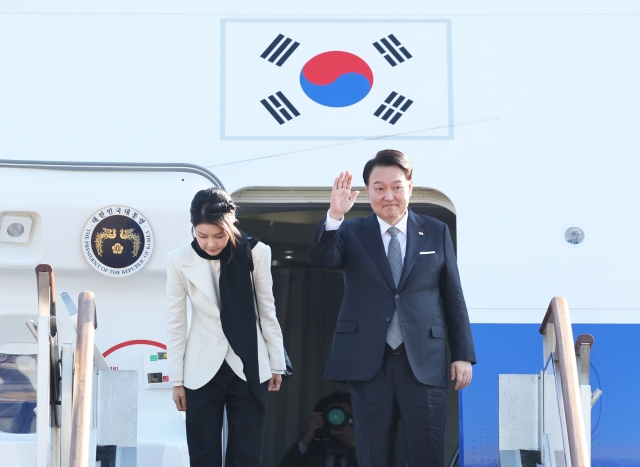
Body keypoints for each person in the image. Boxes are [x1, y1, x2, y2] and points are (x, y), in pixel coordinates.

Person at [308, 150, 476, 467]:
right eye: (379, 188)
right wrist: (334, 215)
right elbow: (321, 259)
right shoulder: (350, 231)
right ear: (367, 191)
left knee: (427, 455)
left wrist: (462, 354)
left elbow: (453, 295)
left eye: (396, 187)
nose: (389, 196)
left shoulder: (436, 231)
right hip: (369, 362)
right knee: (373, 456)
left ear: (410, 187)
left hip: (424, 363)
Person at [165, 187, 286, 467]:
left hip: (249, 363)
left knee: (246, 454)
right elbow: (175, 321)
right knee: (203, 453)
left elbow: (267, 311)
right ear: (193, 229)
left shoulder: (257, 253)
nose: (210, 243)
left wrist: (276, 362)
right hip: (200, 368)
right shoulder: (178, 259)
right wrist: (177, 380)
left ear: (231, 225)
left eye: (219, 235)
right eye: (202, 235)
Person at [279, 391, 358, 467]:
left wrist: (355, 445)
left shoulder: (362, 455)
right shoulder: (311, 453)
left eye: (344, 417)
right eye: (333, 417)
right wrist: (305, 439)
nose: (337, 422)